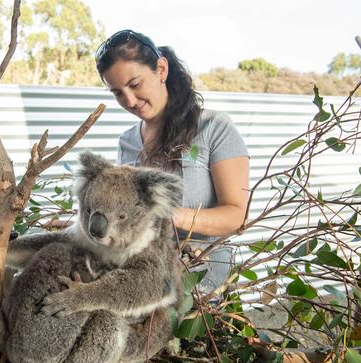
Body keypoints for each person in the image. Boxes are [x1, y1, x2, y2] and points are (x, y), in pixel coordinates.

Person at [95, 29, 250, 293]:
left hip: (203, 290)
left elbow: (237, 215)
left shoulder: (214, 128)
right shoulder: (127, 142)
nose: (129, 101)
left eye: (134, 84)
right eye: (117, 93)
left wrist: (167, 214)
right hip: (144, 284)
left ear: (161, 69)